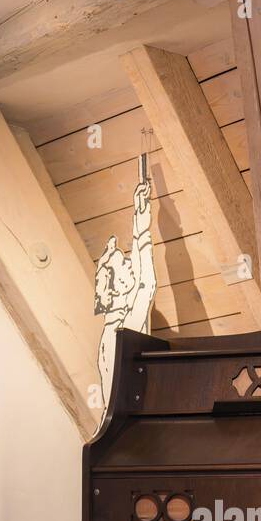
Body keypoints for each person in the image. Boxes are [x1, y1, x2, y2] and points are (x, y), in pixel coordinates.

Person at [94, 176, 156, 412]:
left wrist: (140, 220)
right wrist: (141, 230)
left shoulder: (115, 325)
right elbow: (146, 285)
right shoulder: (119, 332)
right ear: (116, 286)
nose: (131, 263)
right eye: (124, 263)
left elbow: (142, 283)